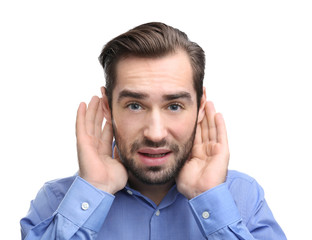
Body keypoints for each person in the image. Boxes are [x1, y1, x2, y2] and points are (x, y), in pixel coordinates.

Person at [20, 22, 286, 239]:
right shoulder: (58, 202)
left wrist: (209, 199)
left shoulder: (243, 197)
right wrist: (95, 189)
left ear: (201, 107)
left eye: (174, 106)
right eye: (135, 105)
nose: (155, 134)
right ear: (108, 108)